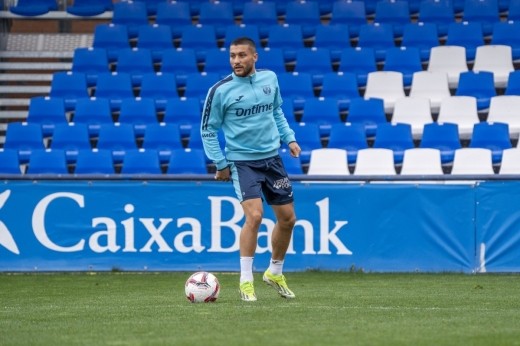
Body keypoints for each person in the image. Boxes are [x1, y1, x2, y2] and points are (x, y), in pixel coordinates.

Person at [200, 37, 301, 302]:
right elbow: (208, 130)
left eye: (242, 55)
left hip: (272, 160)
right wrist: (220, 163)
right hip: (242, 162)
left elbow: (276, 112)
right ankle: (246, 281)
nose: (236, 61)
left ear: (254, 57)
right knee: (254, 216)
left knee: (289, 219)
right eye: (232, 56)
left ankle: (275, 272)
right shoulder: (220, 90)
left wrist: (289, 138)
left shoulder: (270, 79)